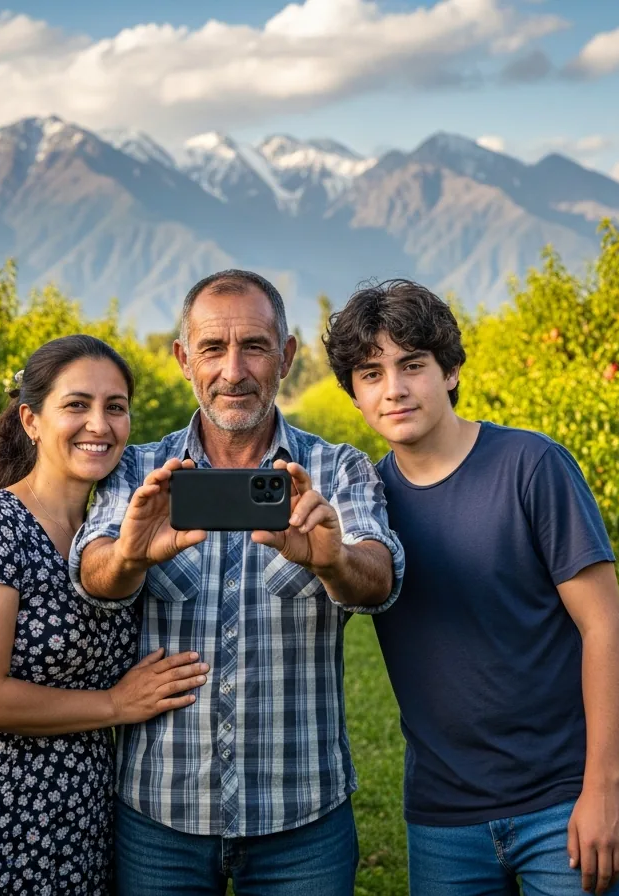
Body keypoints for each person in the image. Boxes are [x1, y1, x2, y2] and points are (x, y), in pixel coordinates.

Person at [68, 269, 406, 896]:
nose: (233, 370)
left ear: (286, 356)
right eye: (212, 348)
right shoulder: (140, 469)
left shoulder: (336, 467)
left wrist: (332, 560)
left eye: (254, 346)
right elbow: (93, 575)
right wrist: (131, 557)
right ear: (182, 359)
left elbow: (380, 576)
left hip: (301, 816)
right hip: (160, 815)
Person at [322, 279, 619, 896]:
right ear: (354, 394)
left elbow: (606, 626)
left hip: (561, 799)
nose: (394, 389)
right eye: (370, 373)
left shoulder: (531, 466)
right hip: (443, 815)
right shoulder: (368, 507)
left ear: (452, 370)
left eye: (412, 365)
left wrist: (602, 788)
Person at [0, 335, 209, 895]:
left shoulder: (108, 535)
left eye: (115, 407)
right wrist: (116, 704)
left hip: (82, 816)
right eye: (77, 405)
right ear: (31, 420)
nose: (100, 424)